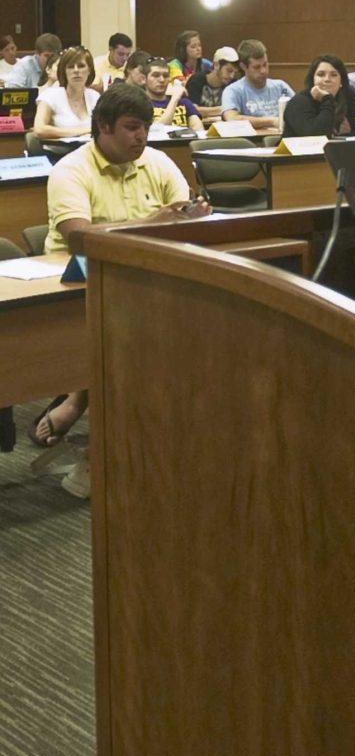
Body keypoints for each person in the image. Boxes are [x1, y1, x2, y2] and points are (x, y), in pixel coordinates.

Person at [35, 83, 211, 494]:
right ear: (104, 127)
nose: (141, 137)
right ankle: (95, 445)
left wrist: (195, 216)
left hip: (139, 274)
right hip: (77, 276)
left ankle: (86, 407)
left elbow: (181, 215)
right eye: (132, 128)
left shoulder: (158, 161)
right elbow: (79, 238)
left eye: (146, 127)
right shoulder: (71, 169)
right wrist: (153, 224)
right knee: (132, 334)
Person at [221, 39, 294, 130]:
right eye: (256, 67)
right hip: (252, 142)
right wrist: (271, 121)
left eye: (265, 64)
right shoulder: (233, 90)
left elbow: (300, 109)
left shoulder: (280, 86)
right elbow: (231, 119)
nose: (263, 71)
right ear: (243, 66)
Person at [283, 54, 355, 137]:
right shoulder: (299, 102)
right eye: (321, 75)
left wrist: (349, 134)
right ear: (313, 79)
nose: (327, 79)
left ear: (341, 82)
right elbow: (317, 136)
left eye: (334, 75)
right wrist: (327, 99)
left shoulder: (349, 97)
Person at [32, 46, 100, 139]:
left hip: (89, 151)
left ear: (89, 70)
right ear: (64, 71)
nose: (76, 70)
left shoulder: (95, 96)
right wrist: (83, 131)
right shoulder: (49, 95)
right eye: (71, 67)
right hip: (59, 152)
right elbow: (39, 130)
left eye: (81, 66)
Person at [145, 57, 203, 132]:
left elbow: (199, 130)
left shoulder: (183, 102)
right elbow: (157, 131)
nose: (162, 80)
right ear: (144, 79)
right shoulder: (141, 104)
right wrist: (174, 99)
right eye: (156, 75)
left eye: (165, 76)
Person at [186, 46, 240, 122]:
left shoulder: (233, 84)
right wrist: (223, 109)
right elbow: (192, 109)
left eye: (235, 72)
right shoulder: (196, 81)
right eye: (229, 70)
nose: (231, 76)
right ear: (216, 65)